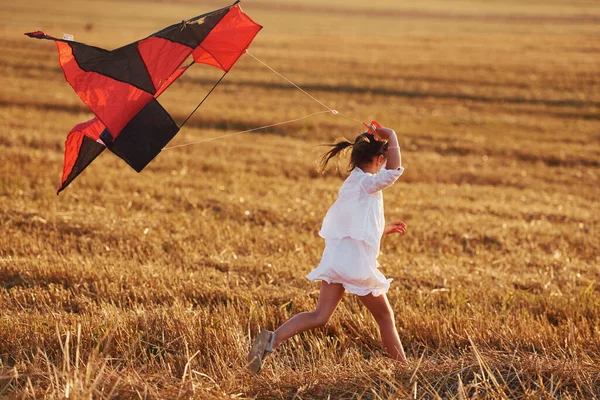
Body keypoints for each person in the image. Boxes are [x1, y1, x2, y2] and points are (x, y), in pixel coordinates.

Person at [248, 125, 407, 373]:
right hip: (355, 265)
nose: (385, 166)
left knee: (320, 315)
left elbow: (352, 222)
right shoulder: (367, 183)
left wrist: (382, 228)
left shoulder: (353, 182)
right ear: (378, 159)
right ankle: (403, 369)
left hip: (339, 260)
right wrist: (393, 136)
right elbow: (394, 172)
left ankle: (271, 340)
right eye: (383, 160)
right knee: (385, 317)